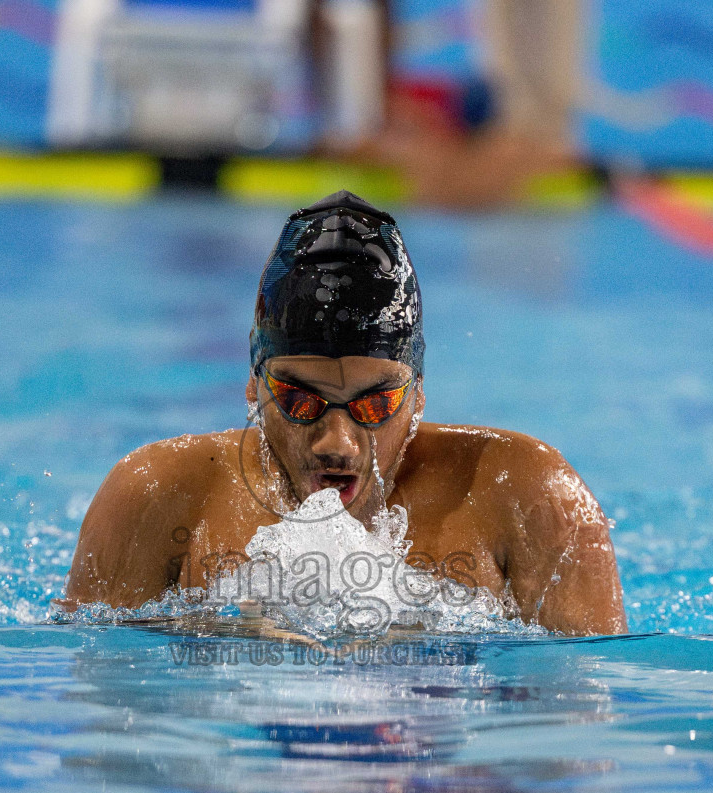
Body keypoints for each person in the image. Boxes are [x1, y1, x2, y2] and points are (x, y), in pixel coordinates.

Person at [56, 191, 627, 637]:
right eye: (301, 400)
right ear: (254, 385)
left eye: (375, 403)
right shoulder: (153, 493)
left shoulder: (529, 492)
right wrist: (217, 636)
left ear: (419, 393)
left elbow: (576, 724)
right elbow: (104, 701)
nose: (339, 442)